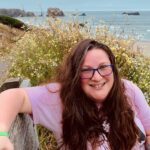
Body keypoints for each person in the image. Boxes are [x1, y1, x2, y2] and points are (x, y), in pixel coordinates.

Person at [0, 39, 150, 150]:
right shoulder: (60, 98)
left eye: (103, 67)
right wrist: (1, 134)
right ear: (75, 74)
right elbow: (14, 96)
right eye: (86, 70)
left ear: (113, 69)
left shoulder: (127, 89)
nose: (96, 77)